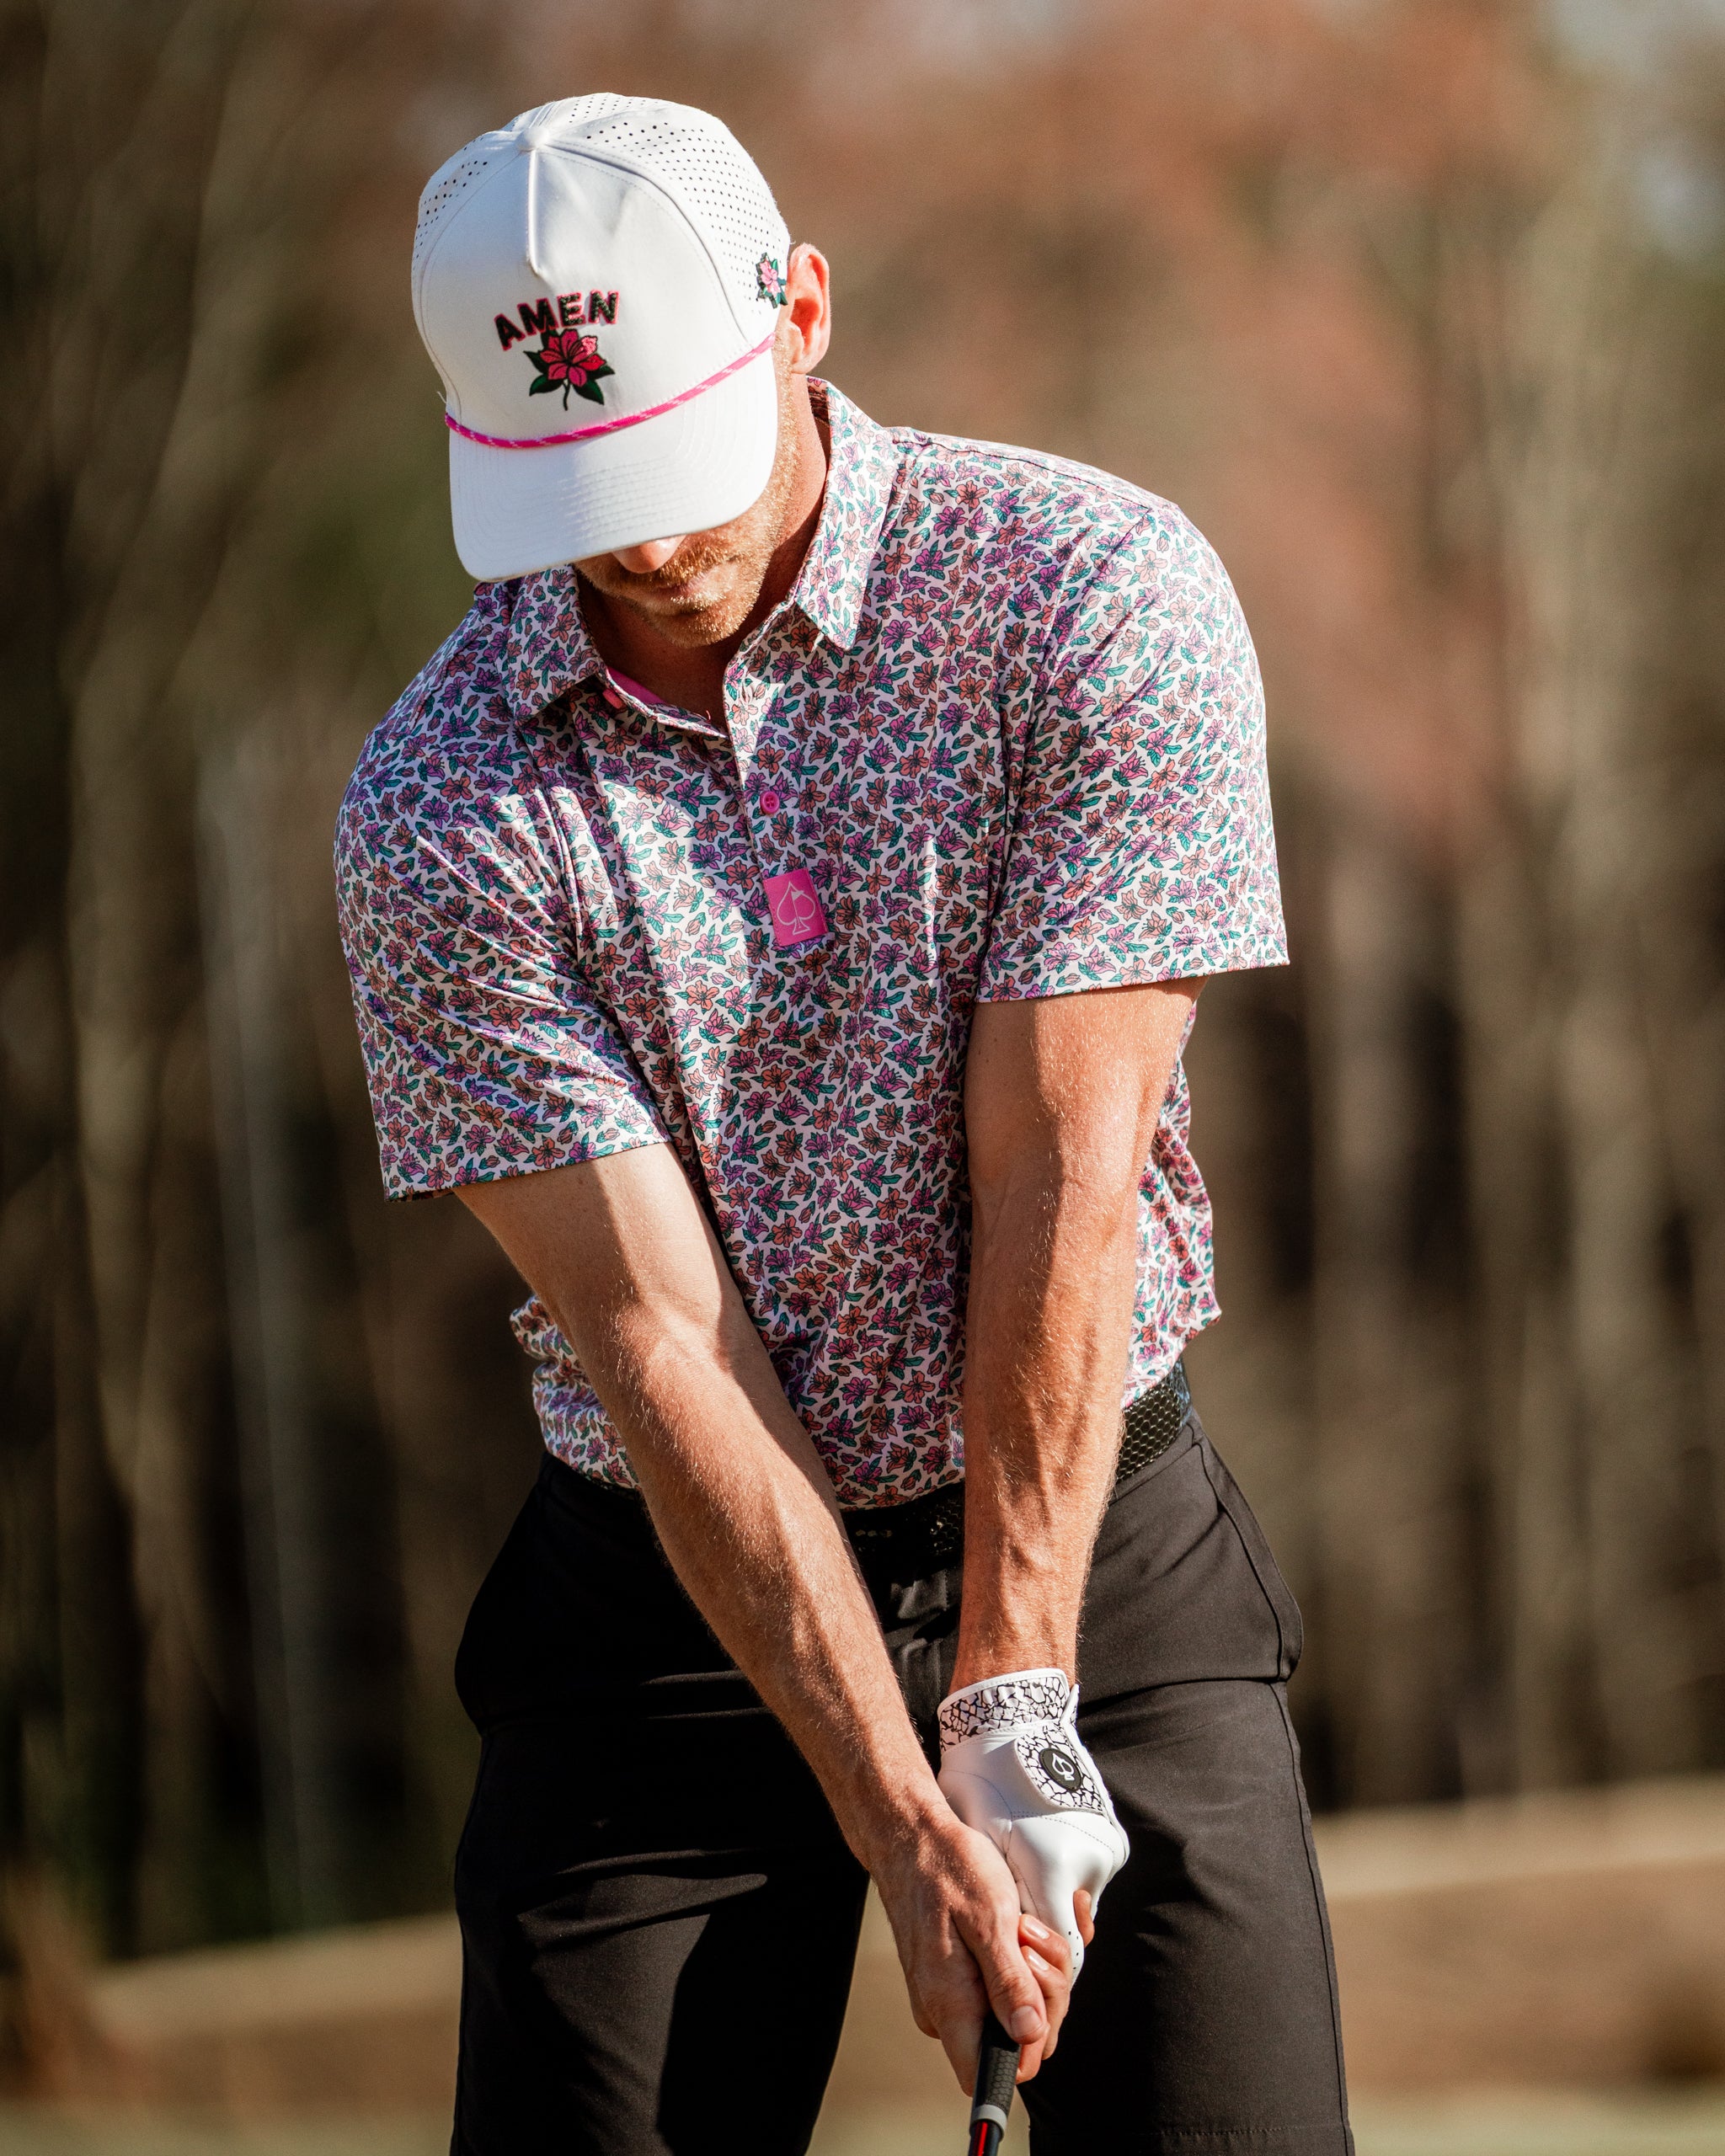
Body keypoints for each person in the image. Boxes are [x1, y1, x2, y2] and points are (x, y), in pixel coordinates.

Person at [336, 93, 1352, 2156]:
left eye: (672, 460)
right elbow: (655, 1341)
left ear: (802, 308)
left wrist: (1006, 1696)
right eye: (576, 483)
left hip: (1097, 1536)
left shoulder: (1089, 595)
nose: (640, 541)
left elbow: (1056, 1185)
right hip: (666, 1613)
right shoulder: (433, 809)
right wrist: (899, 1817)